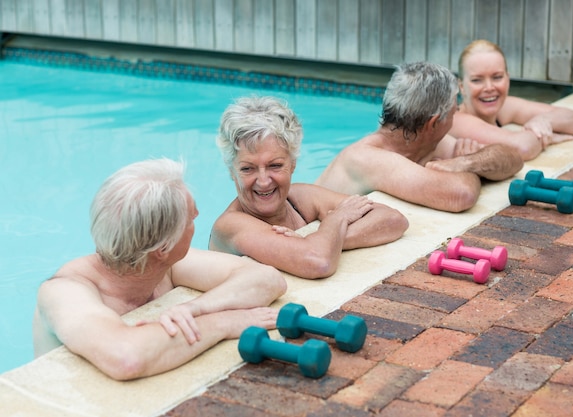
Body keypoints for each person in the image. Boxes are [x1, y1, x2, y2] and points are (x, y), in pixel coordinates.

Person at [33, 158, 287, 381]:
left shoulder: (165, 266)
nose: (198, 214)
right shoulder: (65, 291)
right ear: (163, 248)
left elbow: (267, 279)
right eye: (190, 218)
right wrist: (224, 323)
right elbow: (126, 357)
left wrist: (195, 308)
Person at [209, 96, 409, 279]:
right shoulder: (230, 225)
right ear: (231, 171)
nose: (263, 181)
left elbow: (393, 220)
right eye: (247, 169)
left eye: (275, 165)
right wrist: (336, 219)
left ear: (293, 163)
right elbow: (318, 262)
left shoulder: (300, 198)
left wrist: (328, 239)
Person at [315, 61, 524, 213]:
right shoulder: (368, 158)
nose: (457, 113)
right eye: (454, 110)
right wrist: (470, 167)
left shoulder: (426, 142)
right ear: (434, 123)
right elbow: (461, 194)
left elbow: (513, 158)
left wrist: (466, 161)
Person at [450, 39, 573, 161]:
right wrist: (545, 137)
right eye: (477, 80)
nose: (489, 87)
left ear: (508, 79)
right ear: (461, 86)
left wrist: (544, 121)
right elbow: (522, 148)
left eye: (497, 77)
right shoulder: (456, 120)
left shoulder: (504, 107)